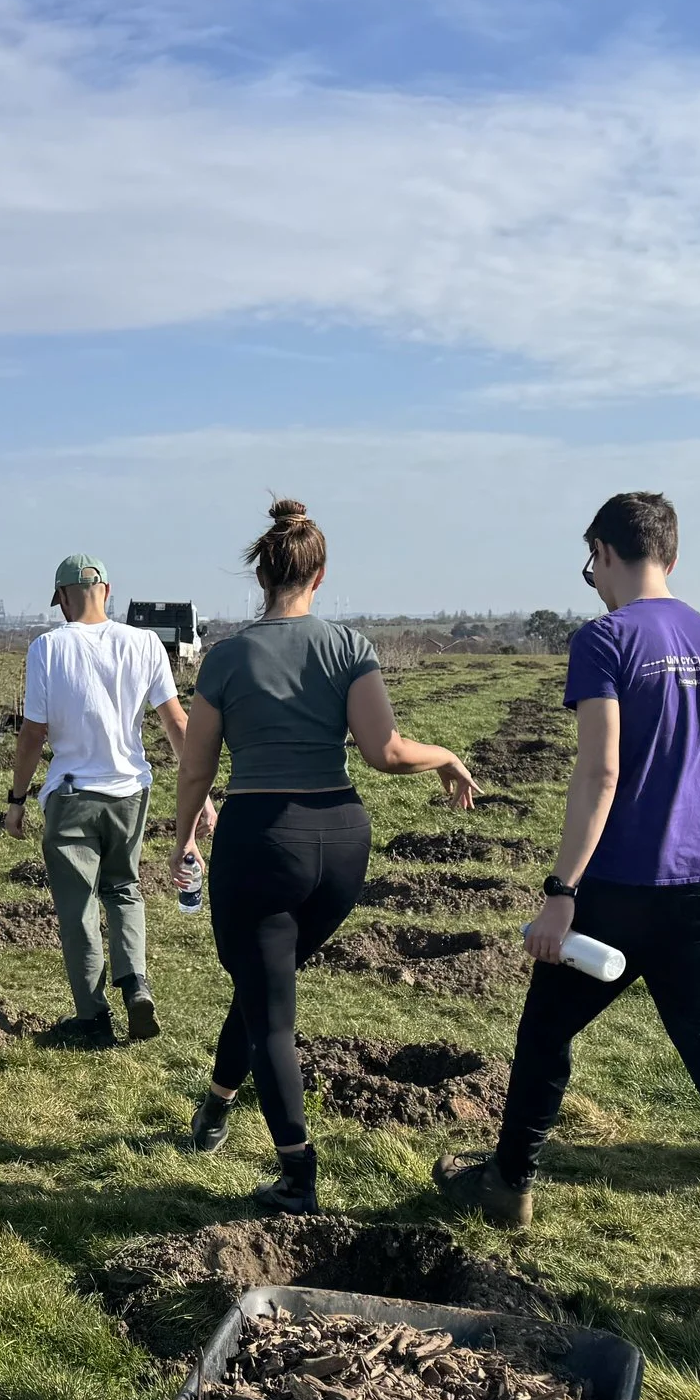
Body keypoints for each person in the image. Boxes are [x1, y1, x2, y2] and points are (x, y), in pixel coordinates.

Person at [432, 492, 700, 1305]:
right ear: (669, 554)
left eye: (590, 564)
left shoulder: (605, 639)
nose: (593, 580)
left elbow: (600, 771)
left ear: (604, 552)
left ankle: (509, 1183)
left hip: (617, 892)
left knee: (546, 1030)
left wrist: (562, 891)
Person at [174, 499, 476, 1213]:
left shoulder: (227, 657)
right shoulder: (349, 647)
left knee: (271, 1012)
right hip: (340, 842)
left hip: (259, 839)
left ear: (261, 574)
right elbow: (384, 750)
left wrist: (184, 836)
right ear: (320, 575)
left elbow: (196, 768)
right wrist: (445, 755)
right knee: (262, 986)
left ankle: (297, 1175)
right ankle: (216, 1103)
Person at [7, 554, 210, 1046]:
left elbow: (33, 734)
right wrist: (202, 795)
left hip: (72, 794)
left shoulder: (47, 648)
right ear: (108, 590)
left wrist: (17, 798)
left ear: (62, 598)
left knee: (78, 905)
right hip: (130, 793)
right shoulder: (145, 643)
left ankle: (93, 1019)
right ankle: (136, 984)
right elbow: (177, 722)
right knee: (124, 889)